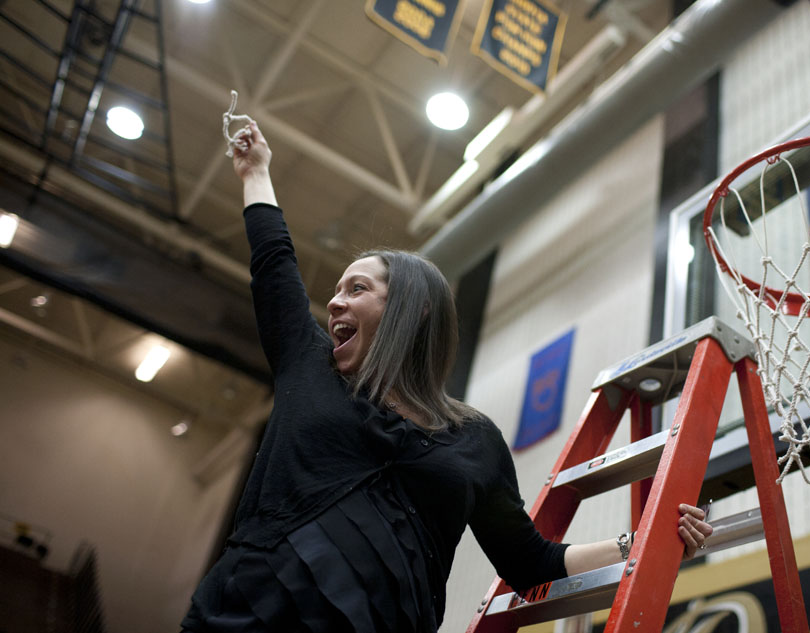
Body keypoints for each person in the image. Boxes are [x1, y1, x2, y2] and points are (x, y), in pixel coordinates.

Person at [180, 121, 713, 633]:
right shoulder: (309, 367)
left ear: (410, 313)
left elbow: (532, 563)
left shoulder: (474, 440)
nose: (335, 300)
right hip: (246, 617)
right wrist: (256, 172)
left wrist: (643, 543)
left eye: (357, 289)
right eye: (337, 291)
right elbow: (274, 263)